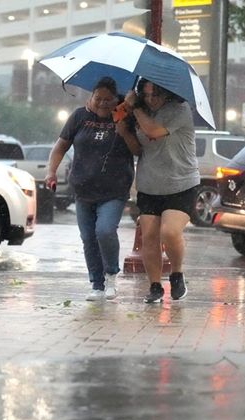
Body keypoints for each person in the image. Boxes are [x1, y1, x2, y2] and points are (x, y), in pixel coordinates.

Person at [45, 77, 137, 301]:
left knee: (104, 231)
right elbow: (60, 147)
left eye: (108, 99)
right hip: (84, 189)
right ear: (91, 97)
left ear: (117, 99)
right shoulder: (79, 117)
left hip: (114, 189)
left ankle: (111, 276)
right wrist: (51, 172)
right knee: (88, 237)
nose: (103, 103)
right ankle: (96, 284)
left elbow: (138, 151)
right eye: (99, 99)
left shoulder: (125, 117)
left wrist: (123, 129)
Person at [115, 79, 198, 303]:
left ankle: (177, 274)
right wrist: (124, 132)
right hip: (150, 184)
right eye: (147, 95)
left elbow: (153, 131)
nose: (152, 99)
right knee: (149, 235)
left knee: (169, 232)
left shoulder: (180, 110)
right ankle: (154, 286)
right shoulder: (136, 113)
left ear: (167, 94)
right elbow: (137, 149)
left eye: (157, 95)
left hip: (181, 182)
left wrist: (137, 107)